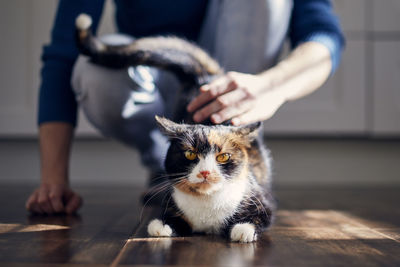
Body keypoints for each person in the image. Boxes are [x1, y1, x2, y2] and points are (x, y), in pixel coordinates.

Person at [26, 0, 345, 215]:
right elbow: (64, 52)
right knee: (92, 68)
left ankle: (229, 154)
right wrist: (53, 181)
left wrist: (271, 87)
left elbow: (323, 35)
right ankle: (169, 167)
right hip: (157, 78)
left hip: (230, 81)